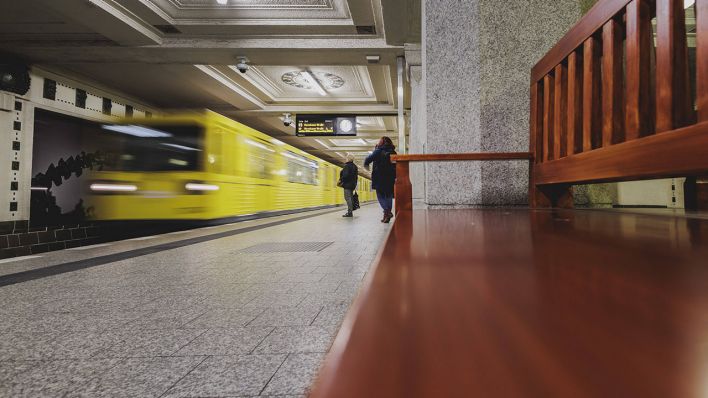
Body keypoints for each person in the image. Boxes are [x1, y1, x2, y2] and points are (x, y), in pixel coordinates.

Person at [364, 136, 396, 223]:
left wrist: (366, 167)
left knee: (380, 195)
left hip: (379, 177)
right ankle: (386, 215)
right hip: (390, 178)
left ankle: (387, 211)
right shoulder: (393, 152)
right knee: (388, 195)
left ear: (381, 143)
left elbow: (367, 159)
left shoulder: (378, 151)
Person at [339, 153, 358, 217]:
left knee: (347, 197)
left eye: (346, 157)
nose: (345, 159)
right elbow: (356, 177)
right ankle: (350, 211)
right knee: (350, 197)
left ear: (348, 158)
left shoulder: (347, 166)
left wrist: (341, 180)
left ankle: (350, 212)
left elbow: (345, 176)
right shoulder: (355, 166)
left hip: (347, 184)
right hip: (353, 184)